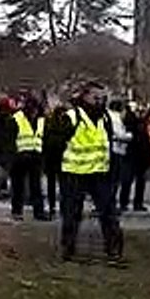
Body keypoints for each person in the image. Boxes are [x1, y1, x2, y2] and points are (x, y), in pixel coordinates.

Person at [58, 81, 124, 263]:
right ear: (85, 96)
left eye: (103, 98)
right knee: (71, 213)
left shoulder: (105, 118)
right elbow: (57, 144)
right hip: (74, 172)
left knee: (109, 212)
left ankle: (114, 249)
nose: (100, 102)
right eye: (96, 98)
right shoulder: (72, 117)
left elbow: (107, 144)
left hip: (100, 172)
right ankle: (68, 247)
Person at [9, 96, 47, 221]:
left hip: (35, 156)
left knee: (36, 186)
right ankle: (17, 211)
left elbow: (44, 138)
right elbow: (10, 138)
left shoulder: (41, 120)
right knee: (18, 186)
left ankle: (38, 211)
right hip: (20, 156)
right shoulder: (17, 118)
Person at [120, 102, 150, 213]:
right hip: (134, 153)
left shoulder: (141, 122)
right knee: (129, 180)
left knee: (135, 180)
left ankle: (133, 203)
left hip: (138, 154)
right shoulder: (133, 121)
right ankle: (130, 203)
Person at [41, 94, 69, 219]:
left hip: (50, 158)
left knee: (52, 184)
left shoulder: (48, 124)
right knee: (63, 184)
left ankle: (53, 206)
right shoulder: (65, 125)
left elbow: (44, 141)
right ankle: (63, 207)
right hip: (61, 158)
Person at [107, 98, 133, 208]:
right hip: (117, 150)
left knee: (110, 180)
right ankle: (110, 203)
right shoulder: (116, 119)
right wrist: (129, 136)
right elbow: (120, 135)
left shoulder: (108, 116)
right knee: (114, 180)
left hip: (112, 150)